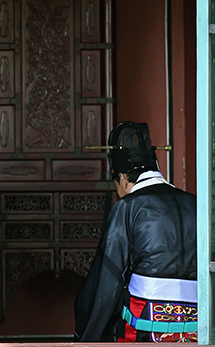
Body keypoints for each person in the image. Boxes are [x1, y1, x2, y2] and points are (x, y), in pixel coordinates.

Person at [74, 121, 196, 342]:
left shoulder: (128, 207)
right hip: (198, 325)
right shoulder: (195, 204)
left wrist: (85, 331)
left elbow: (108, 280)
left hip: (146, 325)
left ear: (121, 177)